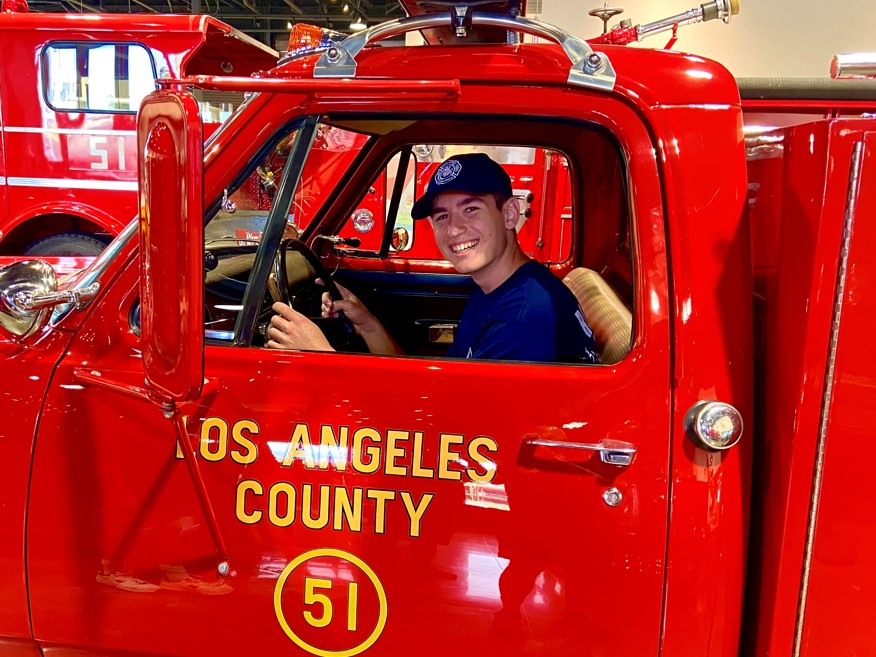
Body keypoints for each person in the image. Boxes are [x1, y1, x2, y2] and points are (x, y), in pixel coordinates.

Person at [266, 152, 597, 364]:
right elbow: (439, 398)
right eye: (442, 217)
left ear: (509, 213)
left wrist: (321, 359)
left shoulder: (523, 319)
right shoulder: (497, 289)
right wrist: (366, 323)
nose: (454, 230)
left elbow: (454, 436)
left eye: (471, 209)